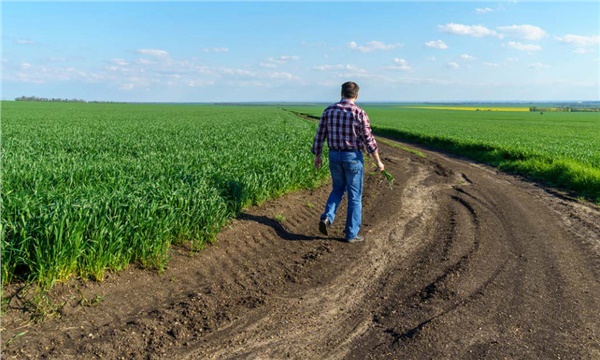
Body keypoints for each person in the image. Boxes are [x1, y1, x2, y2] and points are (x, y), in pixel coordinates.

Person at [311, 81, 384, 243]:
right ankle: (351, 234)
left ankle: (327, 217)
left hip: (334, 156)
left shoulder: (328, 111)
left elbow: (320, 134)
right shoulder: (359, 113)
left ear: (341, 93)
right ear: (356, 95)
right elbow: (368, 140)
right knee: (355, 196)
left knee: (337, 189)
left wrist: (317, 155)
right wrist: (378, 161)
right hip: (352, 157)